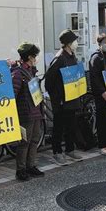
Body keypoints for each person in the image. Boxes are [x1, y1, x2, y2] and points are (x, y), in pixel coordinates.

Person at [44, 29, 83, 165]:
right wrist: (56, 97)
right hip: (61, 100)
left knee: (71, 125)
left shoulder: (72, 56)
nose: (76, 43)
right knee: (59, 127)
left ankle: (70, 150)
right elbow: (49, 80)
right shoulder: (60, 58)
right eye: (74, 41)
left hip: (72, 98)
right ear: (68, 43)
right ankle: (57, 152)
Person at [11, 42, 44, 181]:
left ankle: (31, 166)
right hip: (25, 113)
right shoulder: (18, 73)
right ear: (29, 57)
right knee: (24, 142)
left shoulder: (31, 71)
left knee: (34, 140)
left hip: (36, 111)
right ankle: (21, 169)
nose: (36, 58)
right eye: (34, 56)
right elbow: (13, 94)